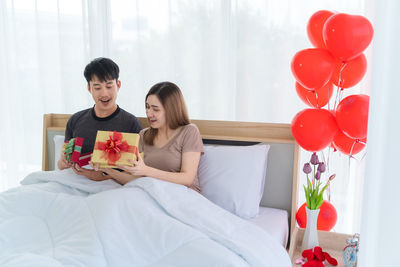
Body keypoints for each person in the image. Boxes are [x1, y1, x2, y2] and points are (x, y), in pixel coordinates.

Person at [95, 81, 204, 192]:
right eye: (147, 107)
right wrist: (107, 170)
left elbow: (187, 178)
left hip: (183, 195)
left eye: (155, 109)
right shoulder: (144, 135)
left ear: (171, 110)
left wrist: (146, 171)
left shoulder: (189, 131)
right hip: (151, 192)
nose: (149, 113)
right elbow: (134, 179)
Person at [57, 57, 142, 181]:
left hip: (112, 186)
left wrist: (103, 176)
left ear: (118, 85)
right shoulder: (75, 120)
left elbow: (135, 172)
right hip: (76, 182)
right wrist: (63, 162)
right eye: (97, 88)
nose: (104, 94)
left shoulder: (131, 123)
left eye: (109, 86)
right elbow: (61, 165)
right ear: (89, 88)